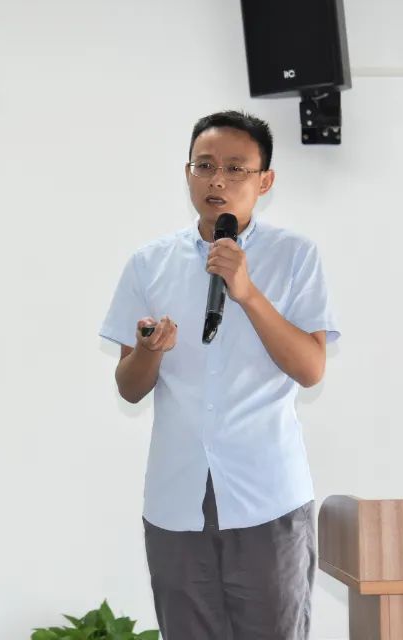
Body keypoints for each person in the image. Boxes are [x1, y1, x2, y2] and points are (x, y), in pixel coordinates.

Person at [99, 110, 340, 639]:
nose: (218, 181)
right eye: (204, 165)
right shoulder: (149, 263)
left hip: (267, 496)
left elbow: (310, 368)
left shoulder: (295, 257)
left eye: (236, 168)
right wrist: (149, 353)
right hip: (176, 498)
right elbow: (129, 387)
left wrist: (247, 293)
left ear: (265, 181)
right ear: (187, 173)